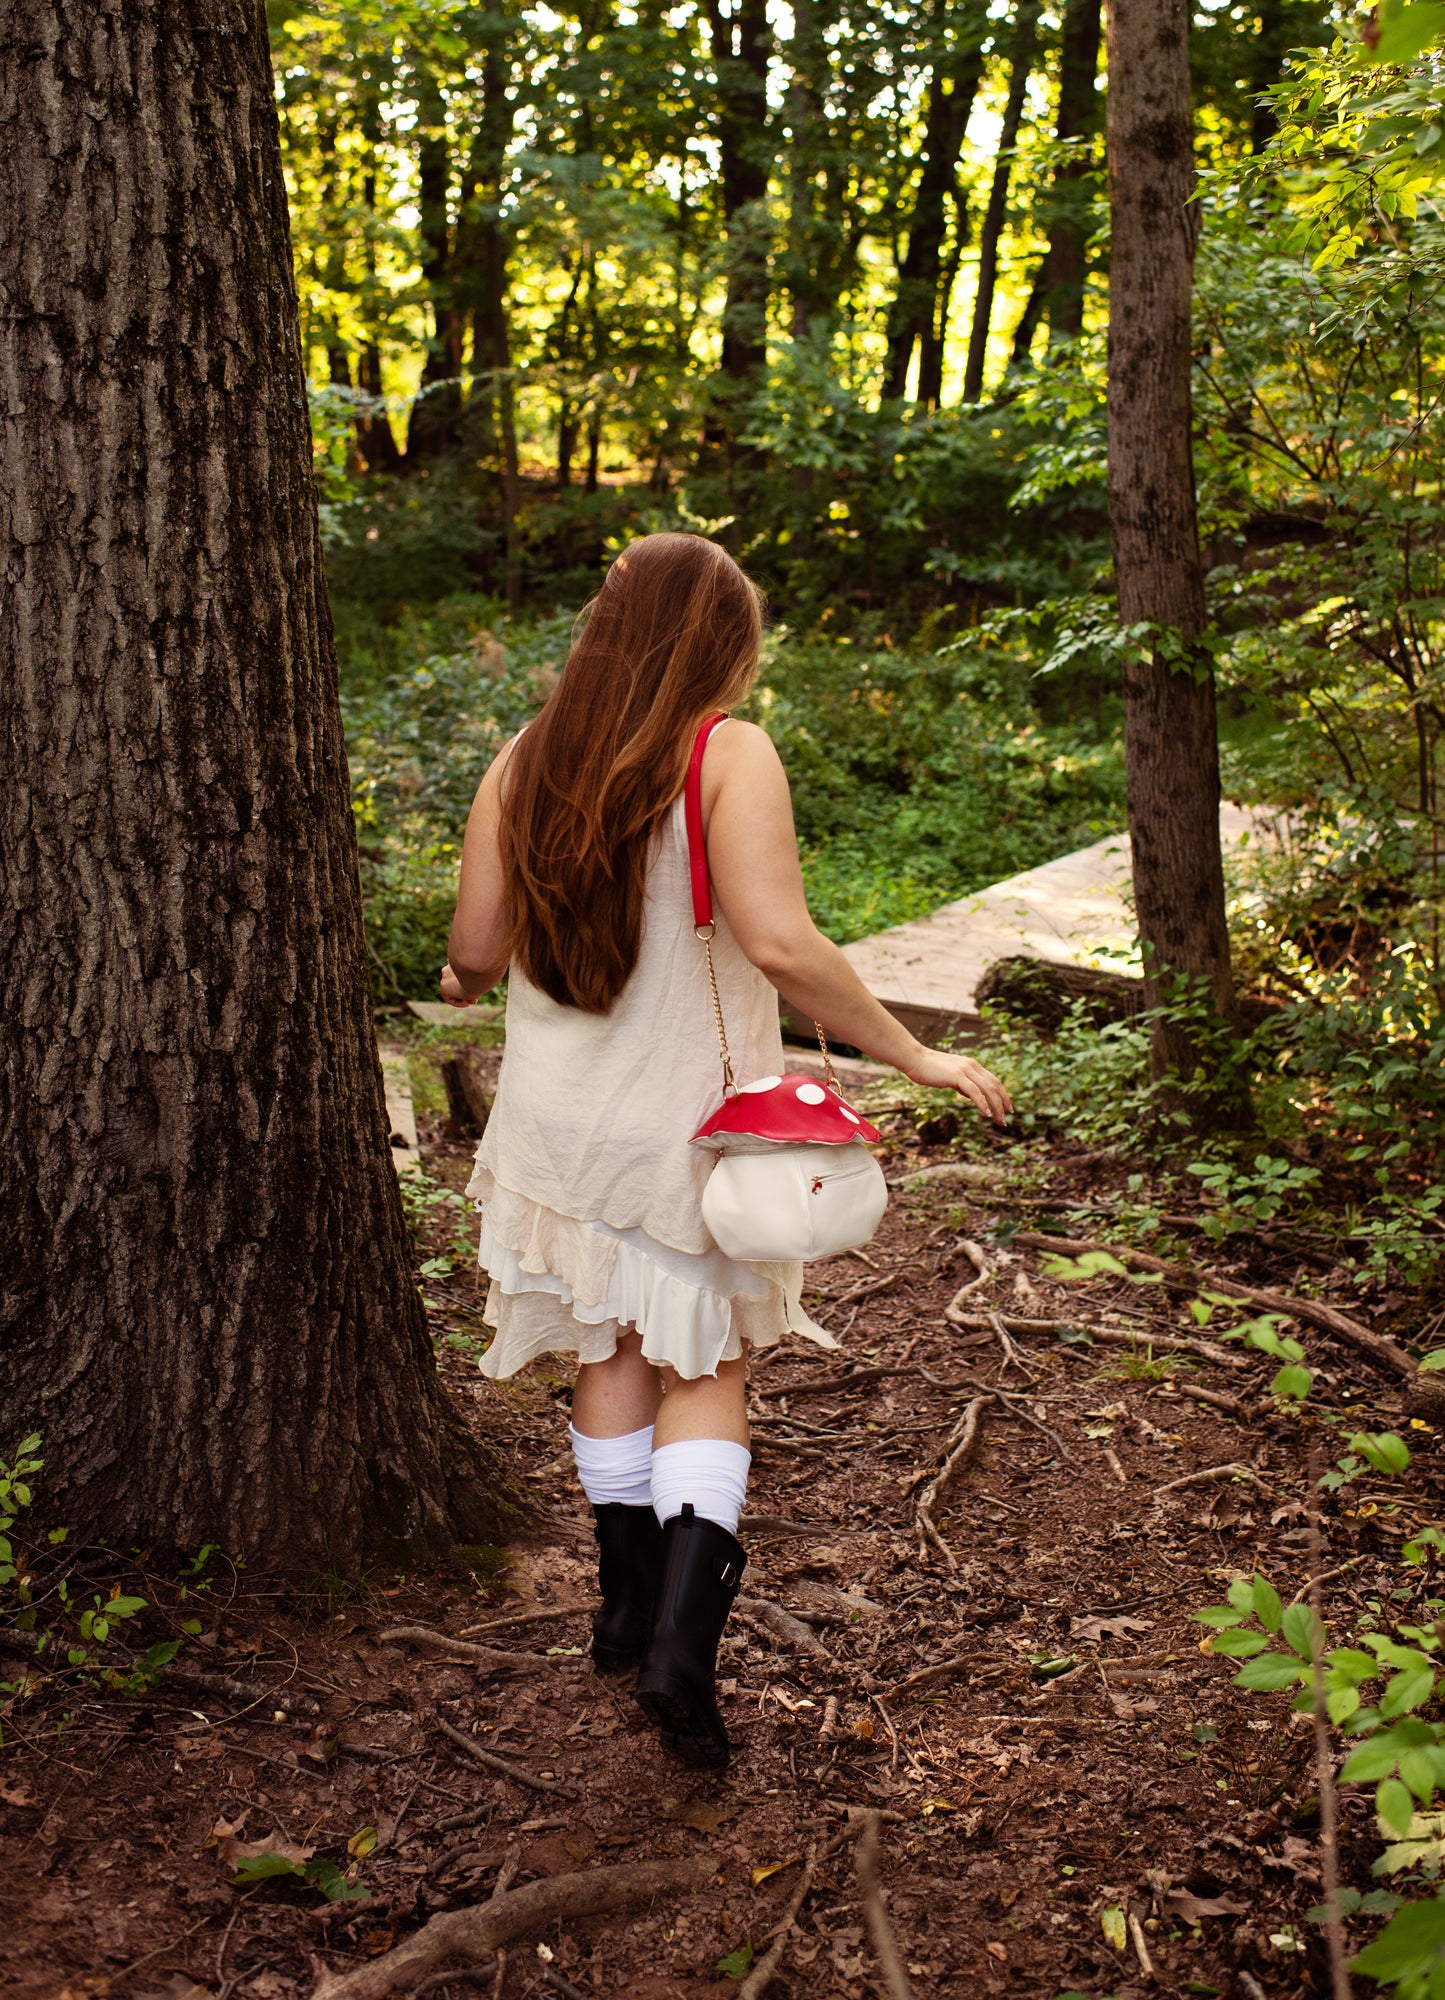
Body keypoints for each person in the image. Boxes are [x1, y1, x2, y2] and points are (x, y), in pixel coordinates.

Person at [441, 532, 1011, 1768]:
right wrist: (911, 1056)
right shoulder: (722, 750)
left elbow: (471, 954)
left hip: (553, 1121)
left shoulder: (523, 758)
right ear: (716, 642)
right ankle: (680, 1653)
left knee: (611, 1342)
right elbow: (781, 942)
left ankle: (620, 1603)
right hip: (679, 1122)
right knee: (708, 1363)